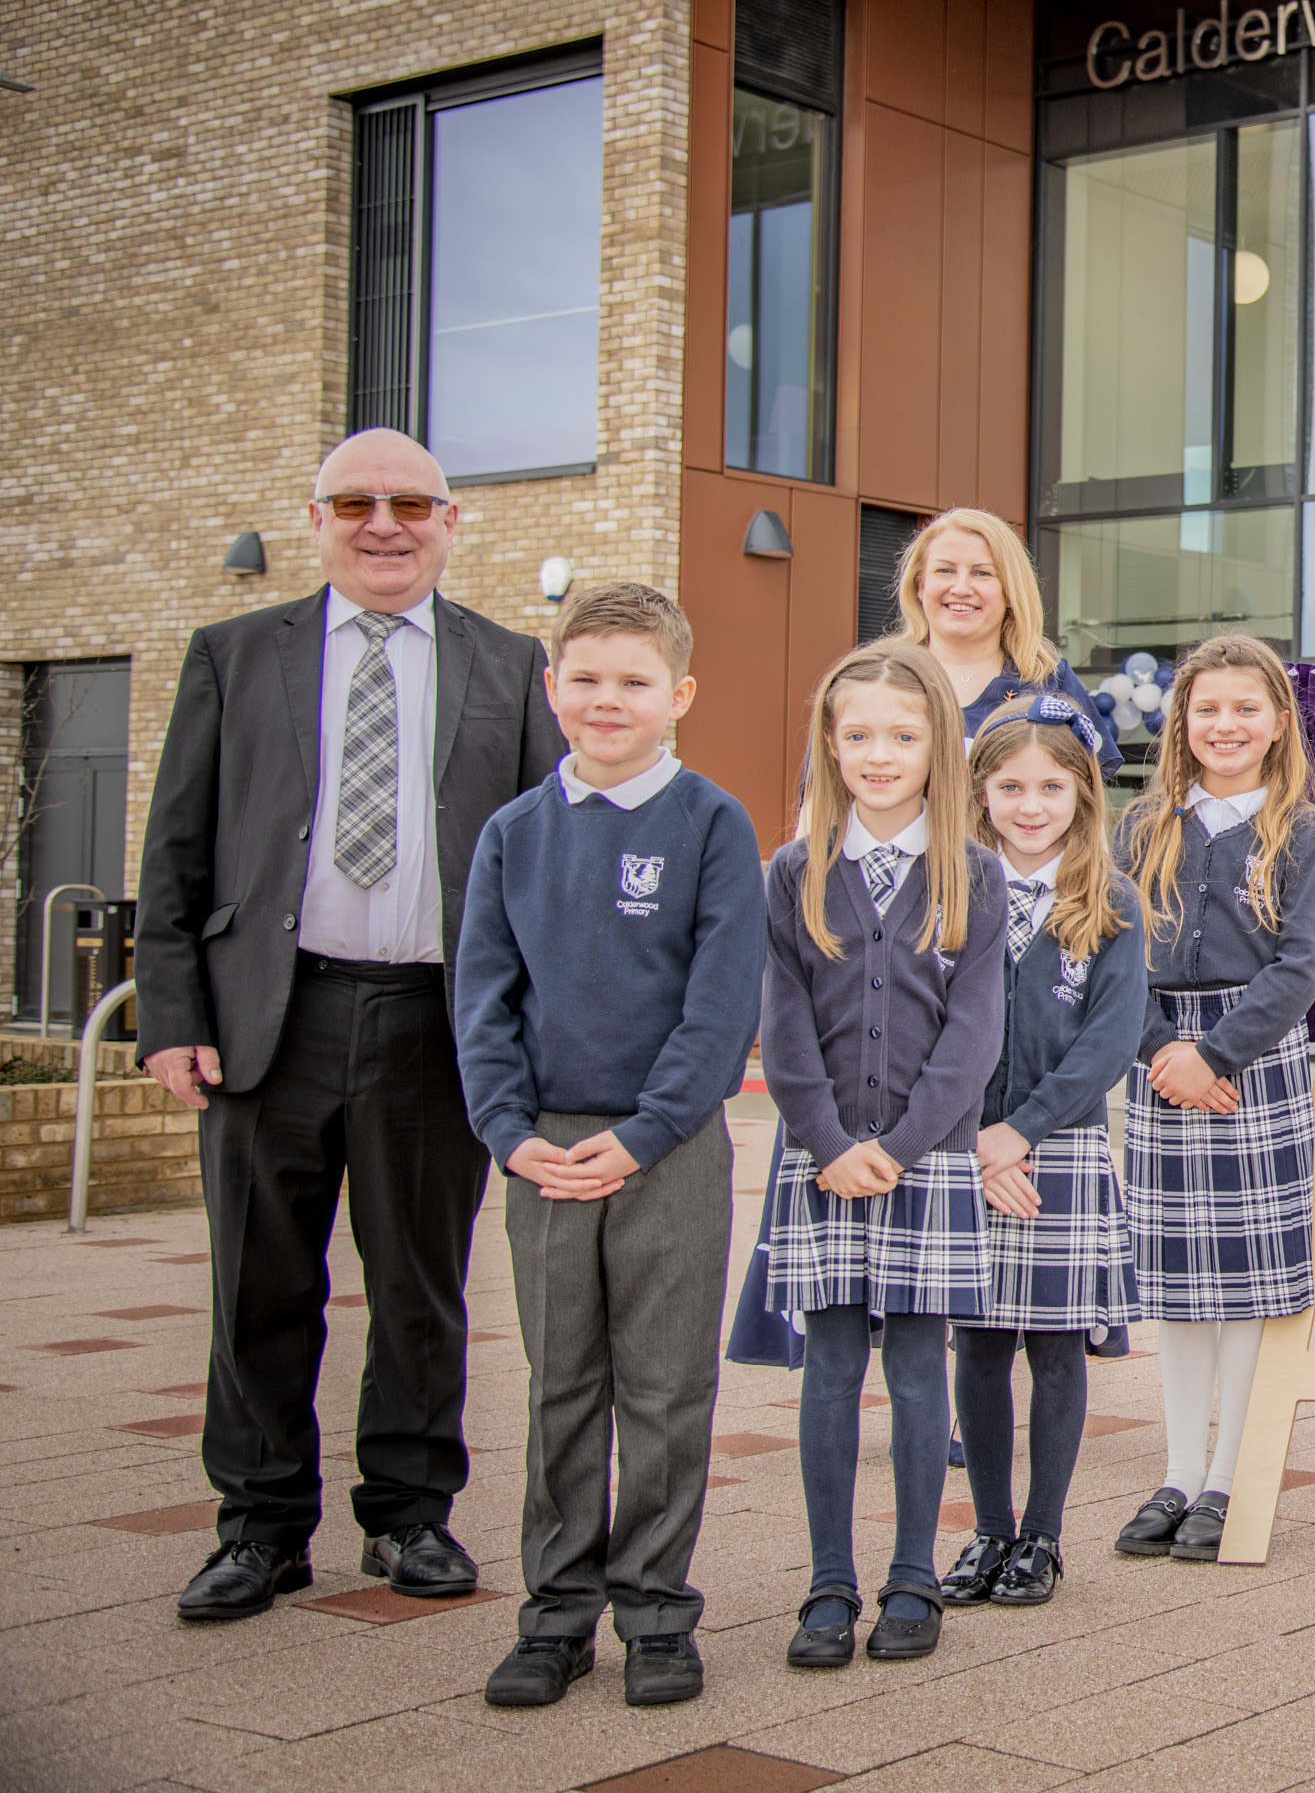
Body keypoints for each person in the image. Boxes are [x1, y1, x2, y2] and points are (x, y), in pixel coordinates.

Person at [136, 429, 560, 1623]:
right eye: (357, 502)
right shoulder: (233, 653)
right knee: (258, 1285)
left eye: (412, 502)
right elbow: (174, 846)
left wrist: (532, 1031)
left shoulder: (508, 659)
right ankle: (259, 1528)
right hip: (269, 1017)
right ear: (316, 516)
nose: (385, 523)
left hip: (434, 1019)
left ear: (449, 521)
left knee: (420, 1284)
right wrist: (169, 1012)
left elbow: (537, 862)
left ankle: (410, 1512)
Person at [452, 584, 764, 1709]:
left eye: (633, 680)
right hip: (546, 1153)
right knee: (561, 1386)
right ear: (553, 689)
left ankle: (655, 1609)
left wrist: (642, 1134)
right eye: (585, 677)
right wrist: (510, 1134)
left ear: (677, 694)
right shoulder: (513, 833)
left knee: (668, 1387)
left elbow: (720, 1006)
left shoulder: (713, 824)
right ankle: (557, 1615)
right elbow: (482, 996)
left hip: (667, 1147)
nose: (606, 698)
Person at [756, 642, 1009, 1669]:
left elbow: (974, 1035)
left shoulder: (972, 873)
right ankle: (828, 1582)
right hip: (819, 1158)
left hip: (928, 1160)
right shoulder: (792, 868)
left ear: (937, 746)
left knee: (915, 1368)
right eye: (858, 733)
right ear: (830, 740)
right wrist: (828, 1140)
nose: (879, 752)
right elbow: (778, 1021)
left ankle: (912, 1573)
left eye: (903, 735)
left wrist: (899, 1149)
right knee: (827, 1368)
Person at [1112, 635, 1315, 1565]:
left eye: (1246, 708)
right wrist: (1164, 1049)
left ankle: (1229, 1476)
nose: (1225, 725)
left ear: (1279, 724)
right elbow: (1109, 950)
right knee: (1176, 1283)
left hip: (1253, 1060)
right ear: (1183, 722)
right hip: (1158, 1057)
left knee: (1244, 1282)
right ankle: (1176, 1469)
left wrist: (1214, 1054)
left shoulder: (1306, 832)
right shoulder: (1142, 826)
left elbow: (1302, 965)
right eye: (1207, 708)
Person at [940, 694, 1147, 1610]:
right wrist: (974, 1139)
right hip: (962, 1148)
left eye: (1051, 787)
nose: (1031, 805)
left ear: (1083, 793)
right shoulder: (949, 888)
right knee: (979, 1347)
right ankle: (987, 1531)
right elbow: (933, 1029)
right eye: (1011, 786)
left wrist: (1019, 1133)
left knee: (1055, 1349)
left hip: (1056, 1150)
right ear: (979, 792)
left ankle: (1043, 1539)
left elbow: (1109, 1041)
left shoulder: (1109, 900)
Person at [893, 506, 1121, 772]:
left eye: (982, 573)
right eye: (945, 570)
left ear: (1011, 591)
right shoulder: (884, 676)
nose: (961, 588)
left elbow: (1085, 792)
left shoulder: (1050, 680)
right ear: (920, 585)